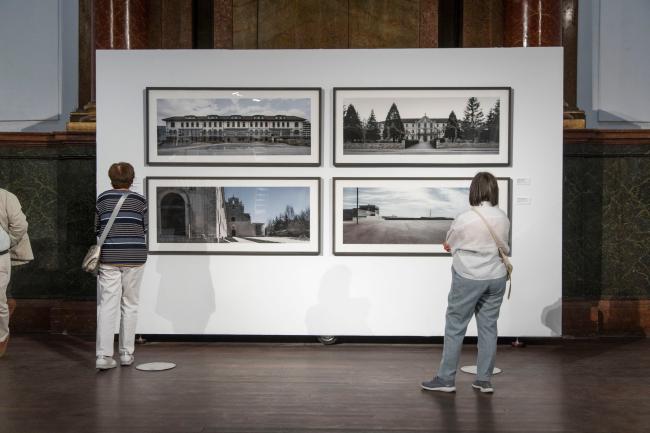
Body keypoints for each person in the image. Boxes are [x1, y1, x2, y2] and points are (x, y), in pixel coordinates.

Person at [421, 172, 510, 394]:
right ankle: (483, 380)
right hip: (497, 277)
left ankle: (446, 379)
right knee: (488, 328)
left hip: (469, 277)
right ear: (494, 191)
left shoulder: (465, 218)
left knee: (455, 326)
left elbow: (448, 244)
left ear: (474, 191)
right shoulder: (503, 217)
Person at [95, 162, 147, 370]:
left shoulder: (103, 199)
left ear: (111, 179)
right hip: (134, 257)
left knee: (107, 305)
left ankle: (103, 355)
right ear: (132, 179)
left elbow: (97, 228)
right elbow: (144, 228)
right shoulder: (140, 201)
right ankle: (126, 353)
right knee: (130, 304)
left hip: (109, 258)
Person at [0, 187, 33, 358]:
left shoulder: (6, 197)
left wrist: (6, 242)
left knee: (3, 298)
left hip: (3, 255)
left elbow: (20, 225)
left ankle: (2, 337)